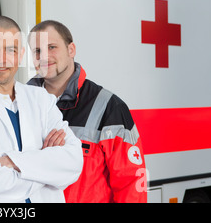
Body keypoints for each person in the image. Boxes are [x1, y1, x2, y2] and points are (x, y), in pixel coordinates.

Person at [0, 16, 83, 203]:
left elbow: (73, 162)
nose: (2, 59)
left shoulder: (42, 99)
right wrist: (48, 171)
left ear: (20, 55)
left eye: (11, 50)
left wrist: (13, 162)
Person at [27, 20, 147, 203]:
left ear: (71, 50)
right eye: (37, 51)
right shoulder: (18, 104)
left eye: (52, 47)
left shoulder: (109, 107)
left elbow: (131, 184)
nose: (44, 56)